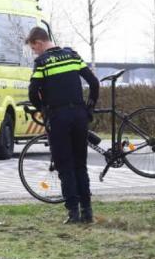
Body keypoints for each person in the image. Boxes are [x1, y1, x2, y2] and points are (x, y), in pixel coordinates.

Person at [26, 27, 100, 224]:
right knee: (80, 165)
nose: (35, 52)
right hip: (79, 115)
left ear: (39, 42)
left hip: (58, 117)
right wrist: (89, 109)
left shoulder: (42, 63)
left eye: (34, 48)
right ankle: (87, 211)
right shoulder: (72, 56)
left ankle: (73, 213)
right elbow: (94, 83)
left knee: (64, 166)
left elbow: (33, 93)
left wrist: (43, 110)